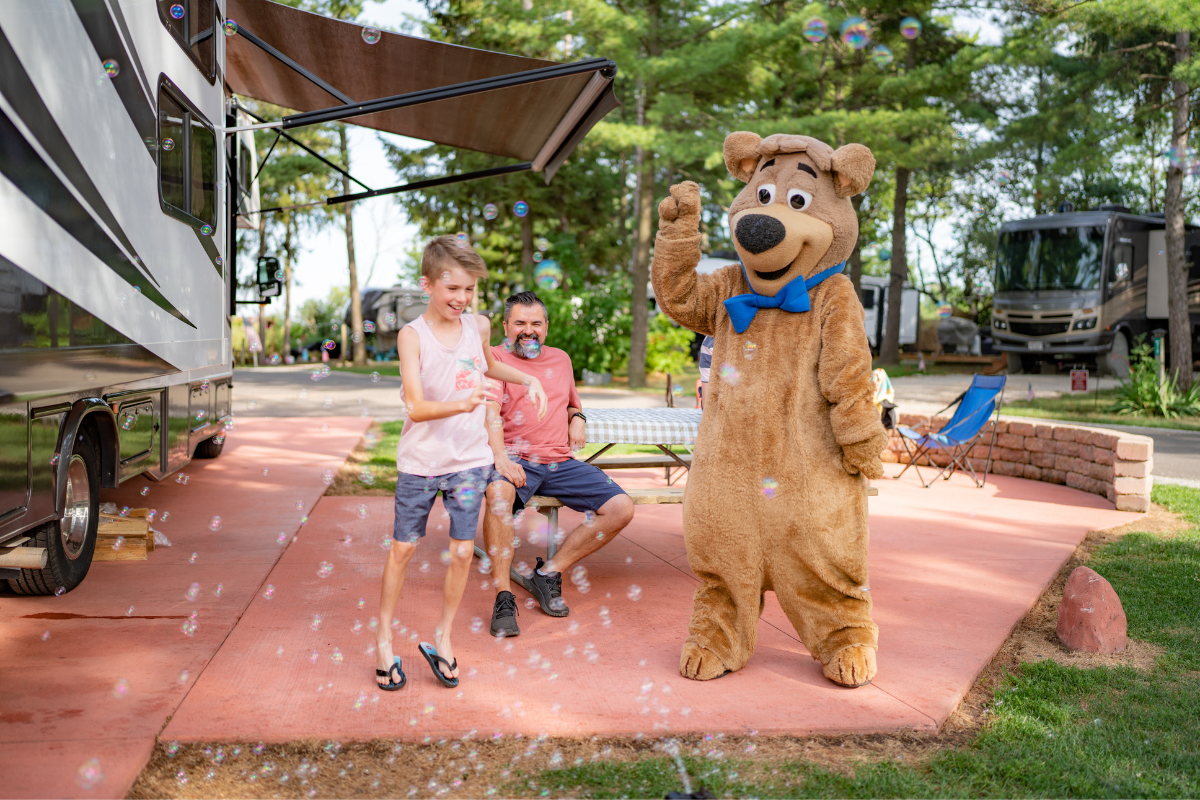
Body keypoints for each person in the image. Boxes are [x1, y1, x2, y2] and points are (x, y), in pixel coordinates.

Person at [375, 236, 548, 691]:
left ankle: (443, 637)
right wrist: (462, 402)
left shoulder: (479, 326)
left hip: (469, 462)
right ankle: (383, 641)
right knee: (403, 550)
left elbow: (488, 364)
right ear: (427, 284)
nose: (462, 298)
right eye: (453, 288)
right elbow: (415, 406)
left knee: (459, 554)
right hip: (420, 462)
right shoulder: (411, 336)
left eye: (469, 289)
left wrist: (527, 378)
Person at [482, 291, 635, 636]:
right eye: (519, 323)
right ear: (506, 327)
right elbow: (489, 413)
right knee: (496, 496)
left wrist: (578, 416)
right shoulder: (493, 359)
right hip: (516, 457)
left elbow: (569, 403)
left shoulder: (561, 360)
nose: (528, 330)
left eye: (536, 323)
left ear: (546, 327)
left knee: (622, 507)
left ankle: (548, 572)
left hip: (559, 462)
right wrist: (500, 458)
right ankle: (503, 594)